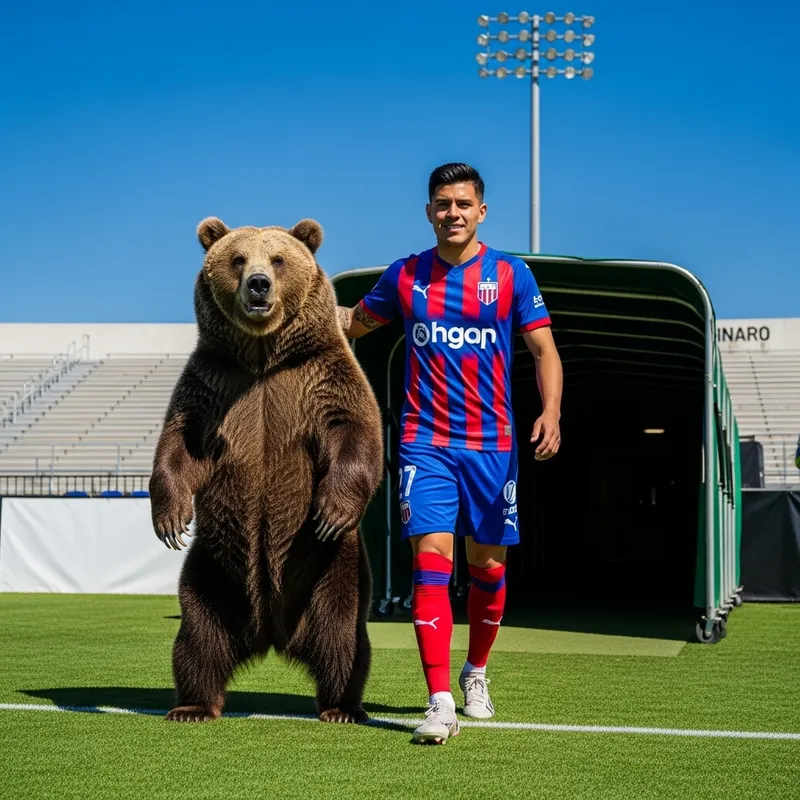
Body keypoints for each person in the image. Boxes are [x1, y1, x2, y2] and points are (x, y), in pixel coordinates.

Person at [337, 162, 563, 744]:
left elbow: (544, 351)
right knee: (431, 564)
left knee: (487, 568)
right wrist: (298, 303)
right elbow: (354, 323)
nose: (453, 213)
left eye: (463, 204)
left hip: (493, 446)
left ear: (480, 212)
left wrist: (551, 412)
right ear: (429, 212)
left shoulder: (511, 275)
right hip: (424, 445)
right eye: (442, 204)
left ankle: (476, 672)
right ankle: (439, 701)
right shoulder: (405, 276)